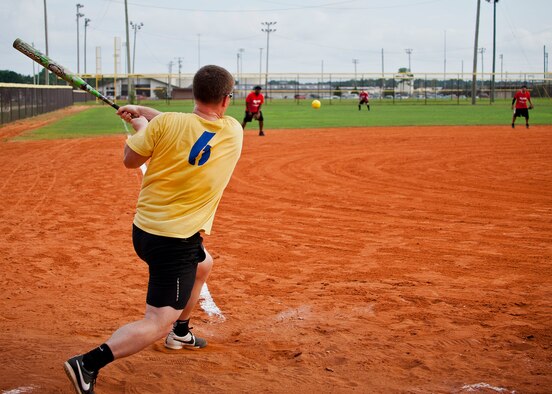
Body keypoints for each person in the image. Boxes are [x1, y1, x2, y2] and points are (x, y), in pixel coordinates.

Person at [63, 65, 243, 394]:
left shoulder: (168, 124)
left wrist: (139, 126)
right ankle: (88, 363)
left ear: (193, 91)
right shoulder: (233, 131)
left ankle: (182, 332)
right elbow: (190, 129)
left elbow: (133, 158)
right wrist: (143, 123)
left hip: (147, 229)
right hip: (174, 241)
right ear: (226, 100)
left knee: (204, 264)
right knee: (157, 321)